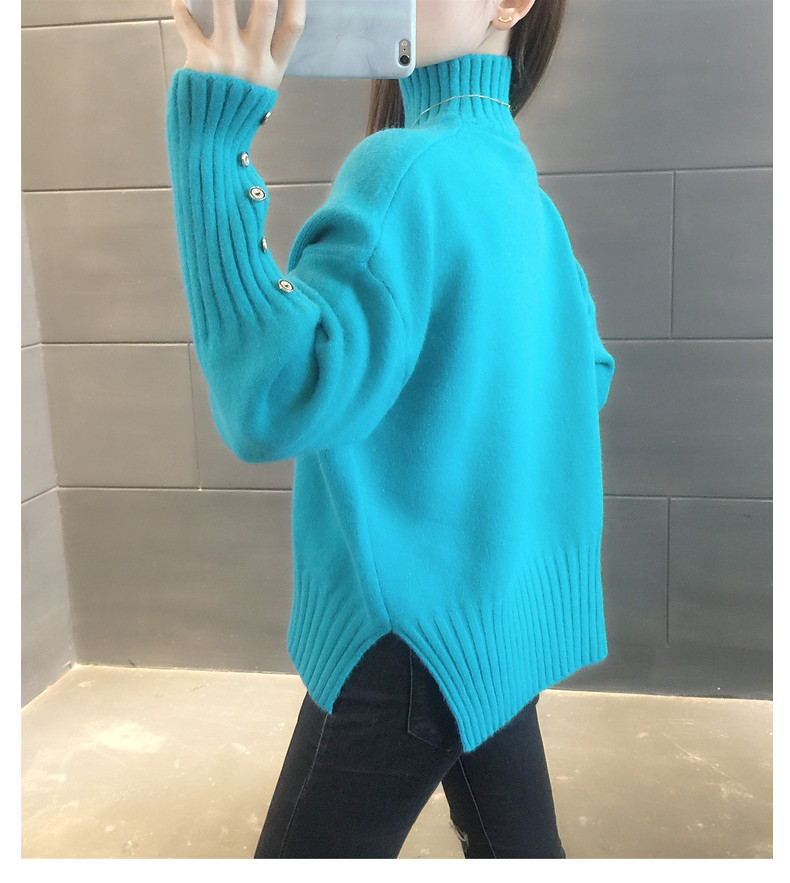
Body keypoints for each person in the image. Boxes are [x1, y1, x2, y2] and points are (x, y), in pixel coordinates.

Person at [167, 0, 615, 859]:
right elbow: (584, 373)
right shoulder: (522, 188)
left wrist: (211, 140)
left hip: (406, 633)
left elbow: (272, 395)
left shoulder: (403, 168)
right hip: (493, 613)